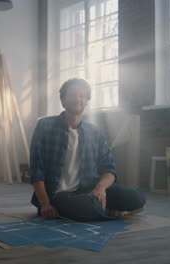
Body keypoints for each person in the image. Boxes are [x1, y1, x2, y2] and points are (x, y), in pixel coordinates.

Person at [29, 78, 145, 221]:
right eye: (72, 95)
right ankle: (107, 210)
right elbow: (36, 170)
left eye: (82, 95)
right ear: (63, 100)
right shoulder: (44, 126)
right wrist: (45, 204)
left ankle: (101, 208)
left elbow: (110, 170)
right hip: (56, 195)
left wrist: (100, 188)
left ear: (86, 101)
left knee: (136, 196)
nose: (77, 99)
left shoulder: (94, 132)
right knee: (87, 206)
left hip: (87, 190)